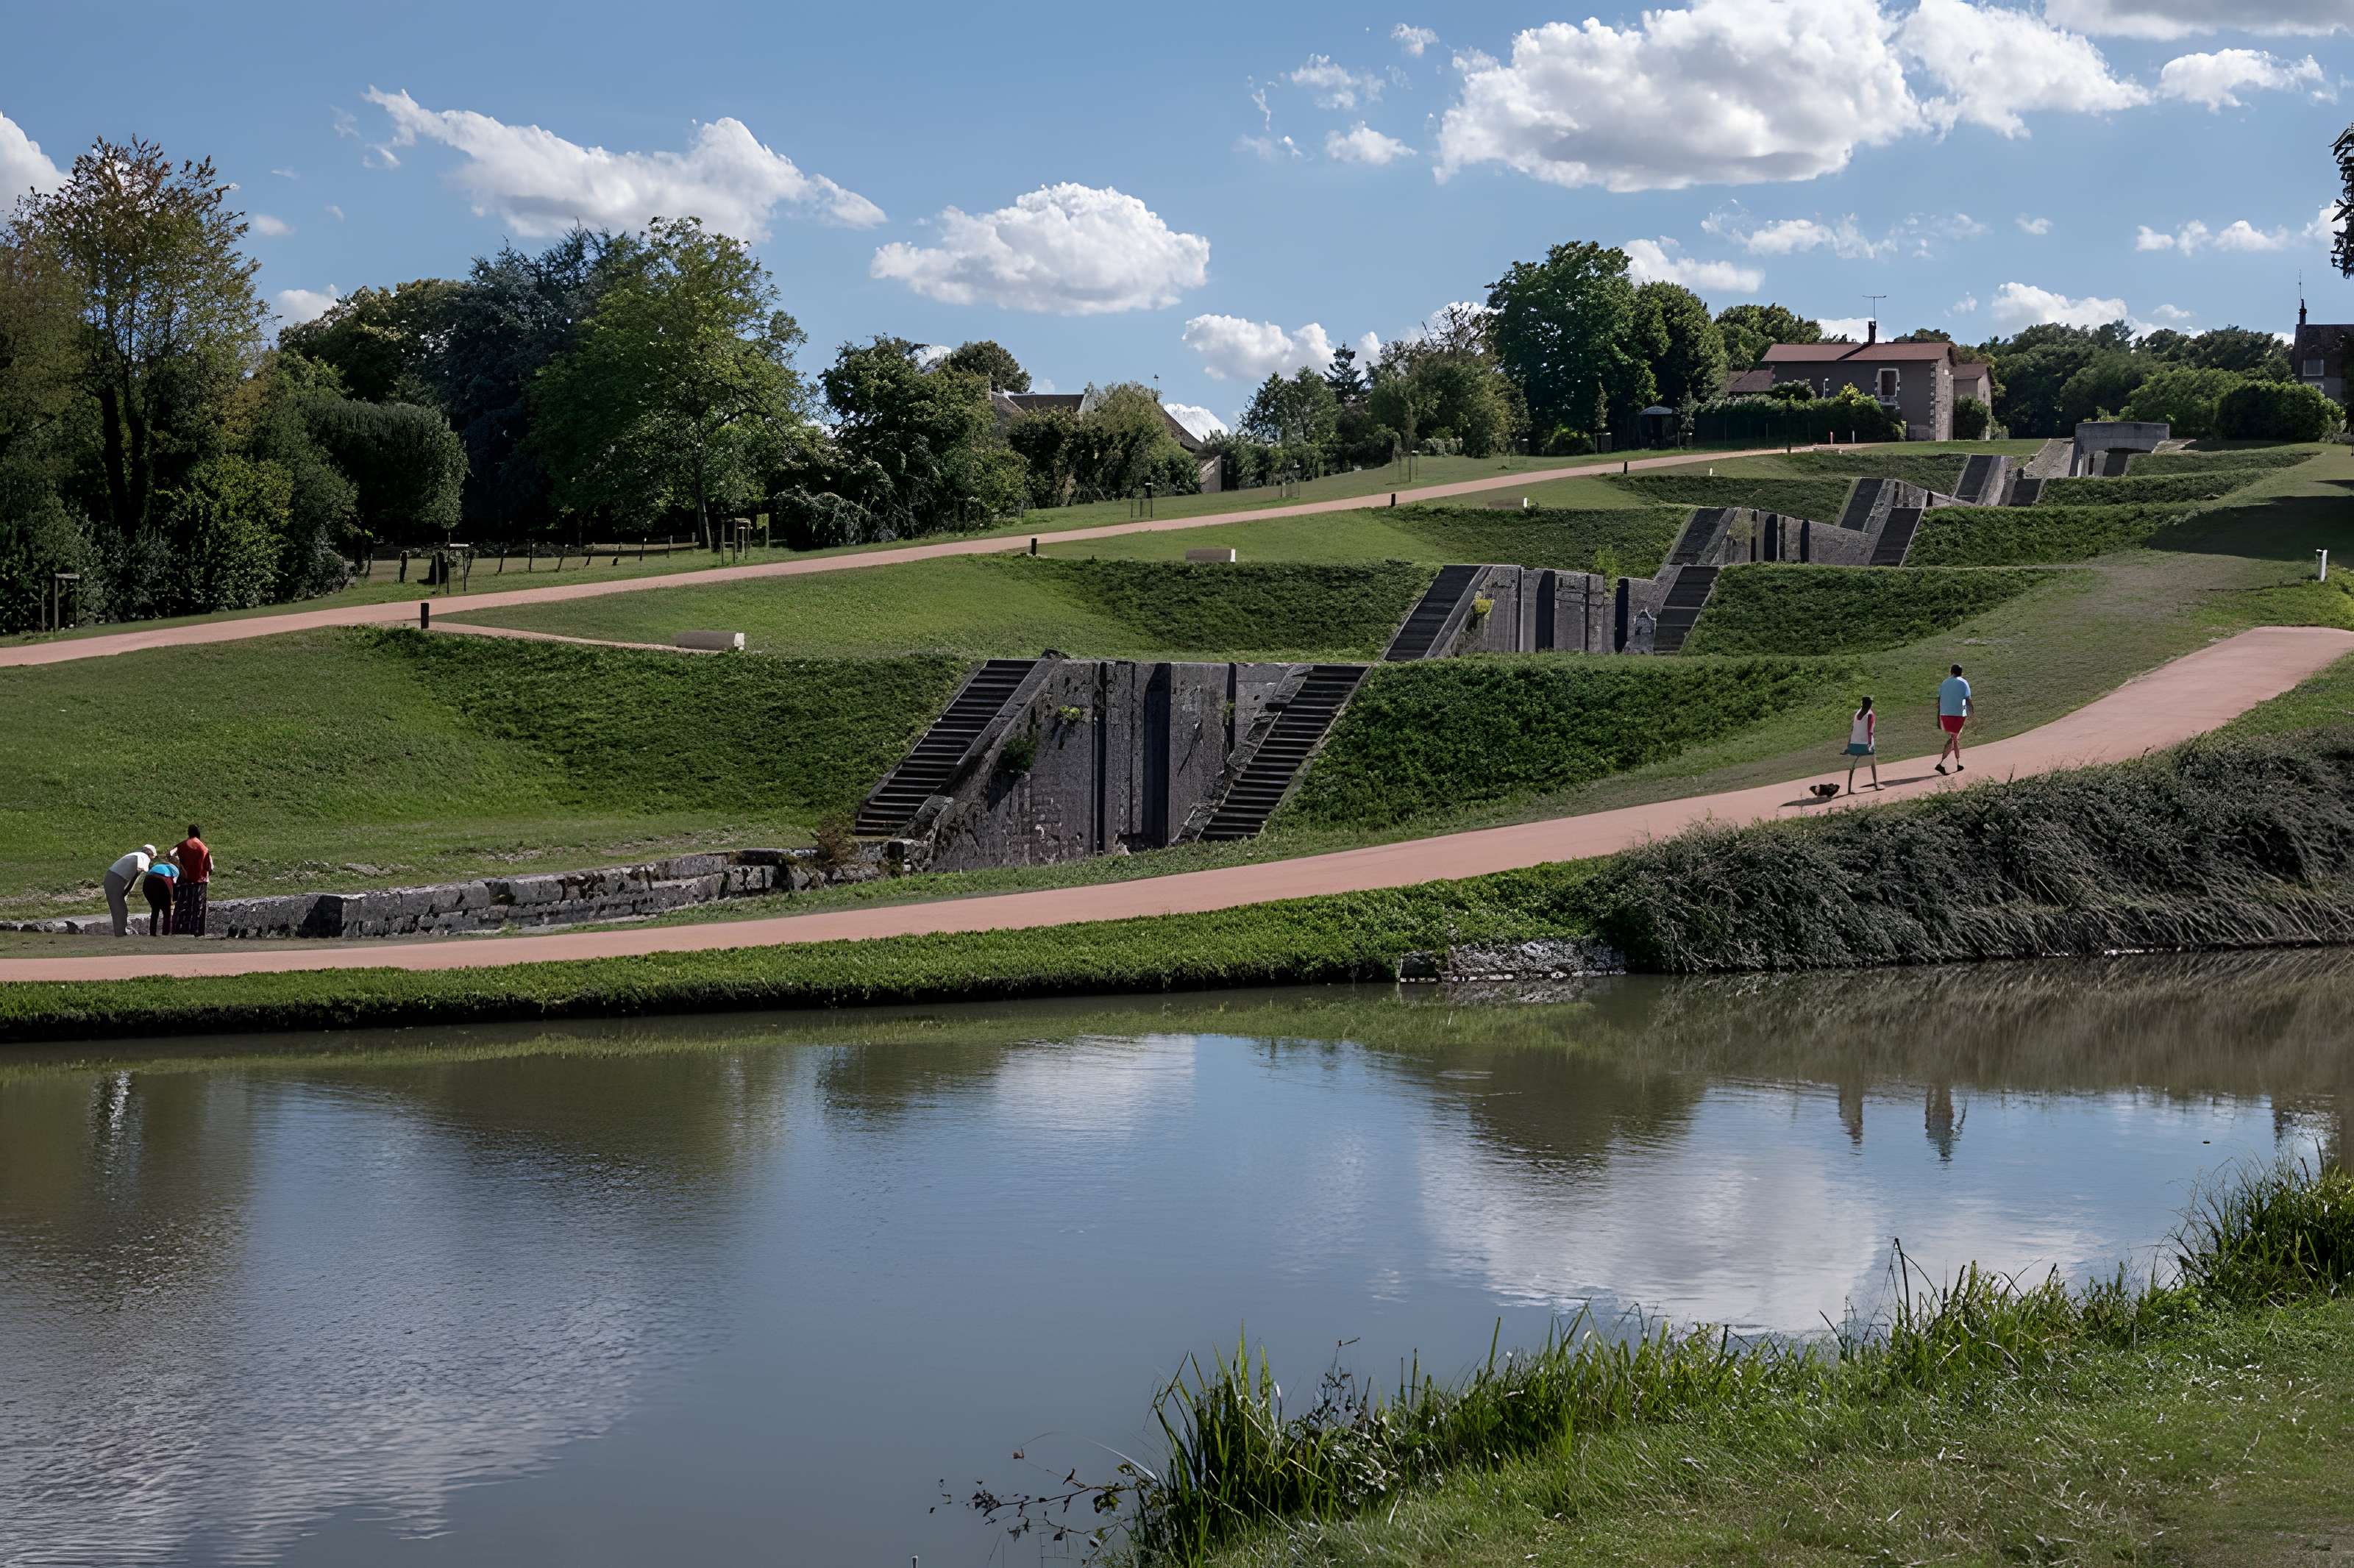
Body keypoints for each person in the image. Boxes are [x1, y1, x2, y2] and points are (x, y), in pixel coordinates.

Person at [103, 845, 154, 938]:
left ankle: (122, 932)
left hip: (112, 878)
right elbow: (143, 868)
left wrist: (124, 894)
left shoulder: (133, 856)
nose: (152, 860)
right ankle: (120, 934)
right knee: (118, 909)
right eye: (152, 857)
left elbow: (132, 881)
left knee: (122, 909)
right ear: (150, 854)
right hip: (115, 879)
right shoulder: (143, 856)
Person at [173, 824, 213, 937]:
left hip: (185, 881)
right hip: (200, 881)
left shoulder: (181, 845)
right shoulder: (204, 847)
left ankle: (179, 929)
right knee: (199, 908)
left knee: (182, 905)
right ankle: (197, 932)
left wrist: (180, 867)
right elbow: (209, 867)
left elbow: (170, 855)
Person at [1935, 663, 1973, 774]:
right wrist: (1970, 714)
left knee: (1955, 738)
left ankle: (1958, 763)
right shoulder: (1963, 682)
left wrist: (1938, 717)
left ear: (1951, 671)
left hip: (1945, 715)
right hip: (1958, 715)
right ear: (1961, 672)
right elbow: (1968, 700)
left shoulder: (1944, 682)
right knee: (1954, 738)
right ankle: (1941, 764)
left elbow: (1939, 700)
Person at [141, 849, 180, 936]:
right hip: (162, 880)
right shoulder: (176, 870)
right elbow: (174, 886)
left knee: (155, 909)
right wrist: (172, 901)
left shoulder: (159, 865)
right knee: (167, 912)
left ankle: (153, 933)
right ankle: (166, 934)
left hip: (148, 882)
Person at [1844, 695, 1880, 793]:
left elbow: (1852, 729)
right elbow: (1870, 731)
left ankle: (1849, 789)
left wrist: (1848, 745)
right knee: (1873, 763)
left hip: (1854, 744)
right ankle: (1876, 784)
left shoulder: (1857, 713)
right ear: (1870, 704)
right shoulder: (1870, 715)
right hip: (1865, 744)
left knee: (1852, 767)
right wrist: (1869, 745)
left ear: (1862, 704)